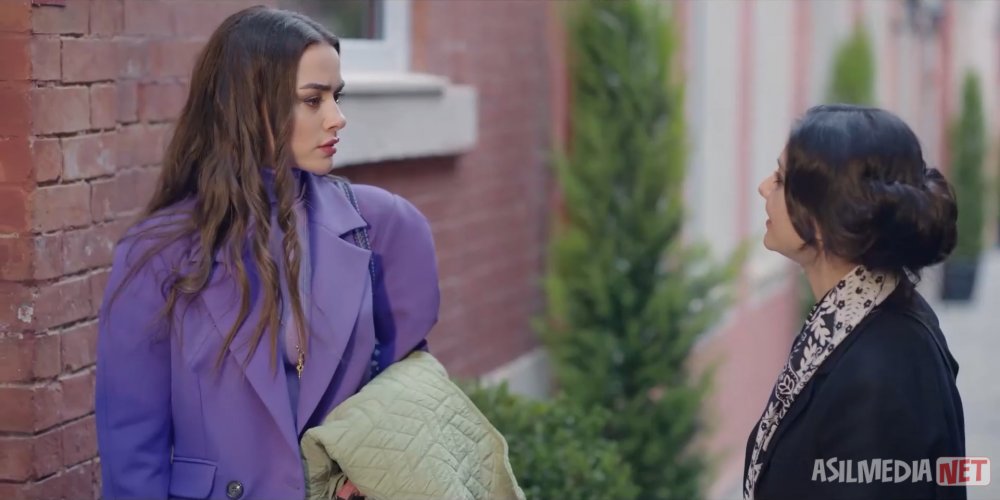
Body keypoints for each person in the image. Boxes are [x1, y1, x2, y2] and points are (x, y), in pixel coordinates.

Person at [95, 6, 440, 500]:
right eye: (313, 100)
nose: (337, 118)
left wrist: (369, 469)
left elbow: (404, 390)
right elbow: (133, 447)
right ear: (248, 104)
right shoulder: (158, 253)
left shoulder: (382, 227)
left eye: (336, 97)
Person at [744, 104, 966, 500]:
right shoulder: (847, 323)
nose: (764, 187)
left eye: (780, 179)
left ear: (824, 216)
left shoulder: (878, 374)